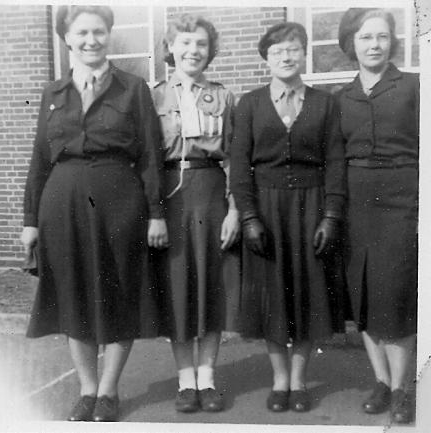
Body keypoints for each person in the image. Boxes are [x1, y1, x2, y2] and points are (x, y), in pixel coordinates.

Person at [20, 6, 165, 422]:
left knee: (119, 292)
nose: (91, 40)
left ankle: (109, 390)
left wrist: (156, 213)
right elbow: (38, 161)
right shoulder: (53, 93)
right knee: (73, 294)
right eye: (82, 32)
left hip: (120, 202)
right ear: (67, 37)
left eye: (99, 32)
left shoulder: (133, 88)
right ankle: (86, 390)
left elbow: (152, 156)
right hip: (61, 205)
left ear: (109, 36)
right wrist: (30, 221)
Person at [230, 22, 345, 414]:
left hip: (312, 204)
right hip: (266, 207)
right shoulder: (249, 103)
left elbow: (335, 162)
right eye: (278, 51)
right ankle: (279, 381)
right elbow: (239, 165)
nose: (286, 56)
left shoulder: (325, 103)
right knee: (273, 295)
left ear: (304, 54)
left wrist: (330, 215)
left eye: (293, 49)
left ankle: (300, 381)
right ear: (266, 57)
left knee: (309, 291)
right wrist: (248, 216)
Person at [150, 15, 238, 413]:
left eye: (201, 44)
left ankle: (208, 378)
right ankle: (186, 380)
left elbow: (237, 158)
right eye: (184, 43)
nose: (193, 51)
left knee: (212, 284)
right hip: (170, 196)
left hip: (211, 191)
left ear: (210, 50)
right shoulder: (152, 97)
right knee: (179, 286)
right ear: (171, 48)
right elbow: (145, 161)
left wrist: (235, 209)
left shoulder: (223, 96)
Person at [335, 8, 418, 424]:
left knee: (397, 293)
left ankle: (403, 389)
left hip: (404, 199)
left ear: (392, 41)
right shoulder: (341, 98)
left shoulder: (414, 87)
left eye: (382, 37)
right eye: (366, 37)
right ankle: (381, 381)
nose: (374, 45)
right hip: (355, 203)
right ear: (351, 42)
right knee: (363, 291)